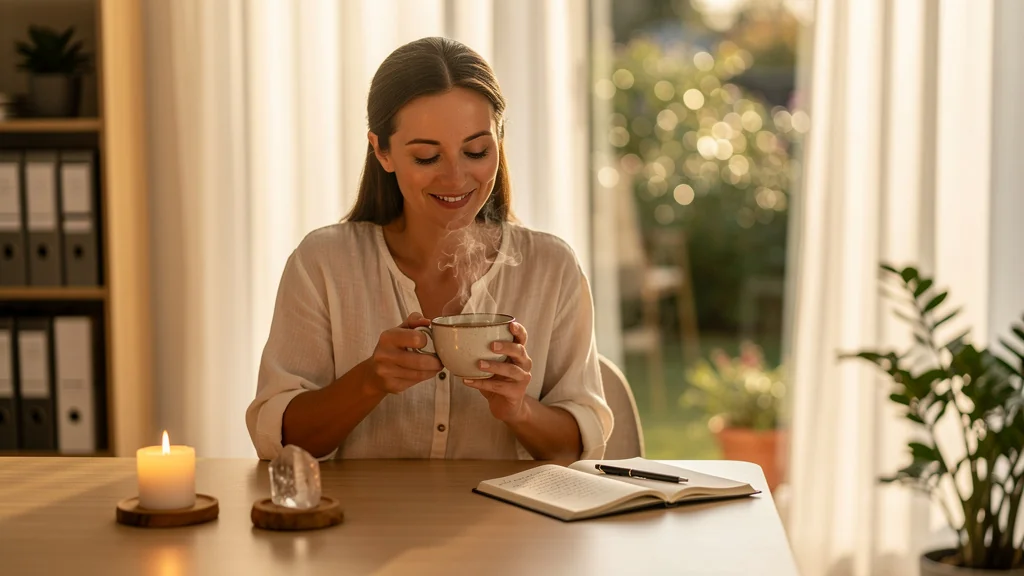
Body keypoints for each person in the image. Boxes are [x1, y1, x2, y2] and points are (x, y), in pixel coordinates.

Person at [246, 37, 612, 461]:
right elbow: (280, 442)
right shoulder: (323, 263)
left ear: (499, 140)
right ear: (382, 151)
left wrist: (518, 408)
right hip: (360, 525)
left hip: (511, 527)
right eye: (426, 157)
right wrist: (369, 381)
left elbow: (580, 452)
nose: (456, 178)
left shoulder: (551, 266)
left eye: (476, 151)